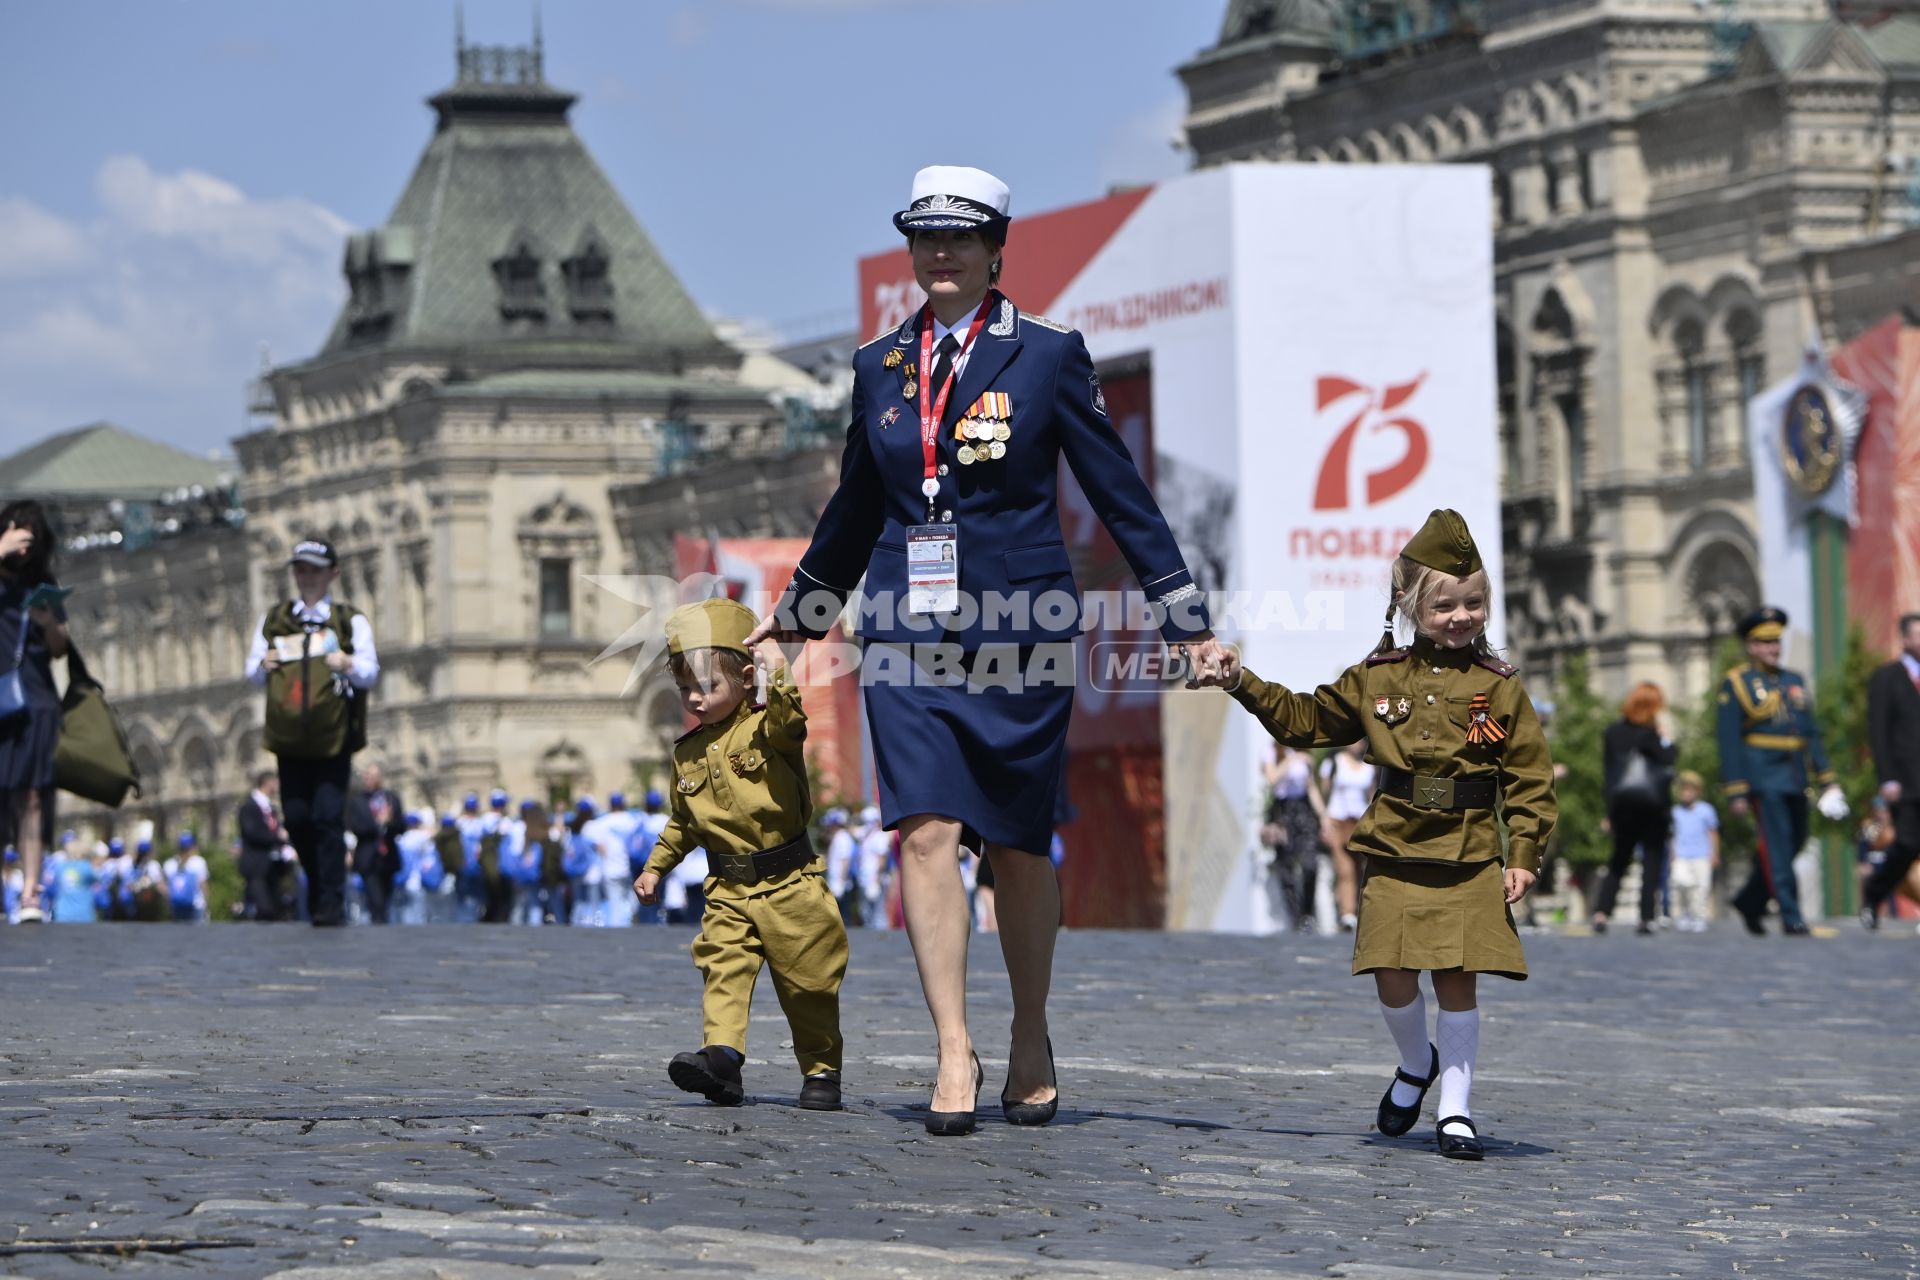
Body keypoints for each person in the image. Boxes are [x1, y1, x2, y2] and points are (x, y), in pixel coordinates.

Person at [756, 165, 1225, 1134]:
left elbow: (1119, 492)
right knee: (924, 830)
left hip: (1023, 632)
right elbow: (855, 507)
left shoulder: (1049, 355)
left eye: (959, 237)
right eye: (924, 237)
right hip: (905, 629)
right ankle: (951, 1046)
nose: (940, 253)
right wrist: (802, 611)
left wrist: (1186, 616)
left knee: (1016, 841)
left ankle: (1029, 1030)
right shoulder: (878, 367)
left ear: (995, 247)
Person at [1201, 509, 1556, 1159]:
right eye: (1446, 604)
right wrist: (1239, 681)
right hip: (1395, 846)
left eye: (1474, 603)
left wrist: (1524, 851)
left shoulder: (1500, 687)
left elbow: (1529, 776)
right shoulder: (1378, 675)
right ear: (1409, 602)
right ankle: (1416, 1061)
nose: (1462, 616)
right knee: (1389, 972)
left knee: (1457, 978)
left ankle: (1455, 1110)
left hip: (1470, 848)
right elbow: (1306, 720)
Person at [635, 599, 849, 1111]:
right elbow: (684, 822)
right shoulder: (685, 752)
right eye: (685, 688)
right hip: (727, 890)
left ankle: (821, 1069)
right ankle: (722, 1060)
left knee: (808, 987)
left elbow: (790, 718)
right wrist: (655, 867)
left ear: (745, 678)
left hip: (791, 886)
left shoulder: (768, 731)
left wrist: (777, 669)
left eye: (708, 686)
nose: (695, 698)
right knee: (722, 968)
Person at [244, 539, 380, 927]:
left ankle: (331, 901)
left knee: (327, 817)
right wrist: (263, 664)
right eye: (301, 570)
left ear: (332, 574)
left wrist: (347, 662)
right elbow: (251, 674)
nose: (307, 577)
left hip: (333, 736)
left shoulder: (348, 619)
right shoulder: (276, 620)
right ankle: (321, 882)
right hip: (289, 738)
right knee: (299, 819)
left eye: (315, 570)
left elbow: (371, 673)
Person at [1716, 607, 1849, 936]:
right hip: (1763, 776)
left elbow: (1809, 734)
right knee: (1777, 846)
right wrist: (1737, 789)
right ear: (1751, 646)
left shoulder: (1794, 680)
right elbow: (1729, 740)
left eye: (1776, 641)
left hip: (1794, 776)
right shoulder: (1738, 683)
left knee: (1795, 842)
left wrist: (1827, 780)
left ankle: (1749, 900)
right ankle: (1791, 914)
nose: (1773, 648)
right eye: (1765, 642)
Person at [0, 500, 71, 924]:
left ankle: (30, 892)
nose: (25, 544)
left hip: (36, 699)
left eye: (32, 536)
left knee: (31, 797)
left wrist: (48, 621)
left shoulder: (41, 583)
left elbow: (61, 648)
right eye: (18, 532)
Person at [1592, 683, 1678, 935]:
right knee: (1651, 861)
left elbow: (1610, 775)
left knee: (1619, 860)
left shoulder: (1613, 732)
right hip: (1653, 807)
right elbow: (1669, 758)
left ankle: (1601, 912)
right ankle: (1645, 917)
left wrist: (1608, 811)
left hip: (1623, 806)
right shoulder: (1650, 735)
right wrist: (1665, 739)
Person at [1862, 612, 1920, 929]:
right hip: (1907, 782)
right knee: (1909, 844)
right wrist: (1887, 777)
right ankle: (1873, 894)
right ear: (1906, 639)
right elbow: (1879, 731)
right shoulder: (1888, 677)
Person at [1261, 744, 1328, 932]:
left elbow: (1311, 787)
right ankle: (1295, 916)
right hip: (1283, 812)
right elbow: (1271, 778)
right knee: (1286, 866)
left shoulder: (1305, 753)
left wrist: (1323, 816)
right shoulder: (1273, 752)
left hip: (1303, 811)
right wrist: (1291, 759)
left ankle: (1307, 913)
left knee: (1310, 863)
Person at [1318, 740, 1377, 931]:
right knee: (1344, 870)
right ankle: (1347, 914)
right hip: (1337, 821)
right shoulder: (1334, 763)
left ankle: (1358, 911)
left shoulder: (1368, 766)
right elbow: (1323, 793)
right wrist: (1324, 820)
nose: (1357, 745)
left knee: (1360, 869)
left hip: (1358, 823)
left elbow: (1371, 796)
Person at [347, 763, 406, 925]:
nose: (368, 779)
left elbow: (401, 826)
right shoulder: (357, 801)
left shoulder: (391, 798)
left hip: (388, 856)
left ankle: (381, 922)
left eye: (372, 776)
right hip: (368, 857)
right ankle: (378, 923)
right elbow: (355, 827)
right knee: (376, 899)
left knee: (386, 898)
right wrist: (377, 823)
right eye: (366, 776)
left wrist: (388, 823)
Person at [1668, 770, 1719, 931]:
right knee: (1681, 884)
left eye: (1689, 789)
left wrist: (1714, 853)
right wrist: (1672, 853)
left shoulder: (1706, 810)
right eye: (1683, 789)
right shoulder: (1675, 812)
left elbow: (1712, 832)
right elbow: (1673, 835)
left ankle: (1699, 917)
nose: (1686, 793)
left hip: (1702, 855)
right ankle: (1684, 914)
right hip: (1682, 854)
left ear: (1697, 791)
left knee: (1701, 888)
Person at [237, 770, 288, 921]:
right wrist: (277, 837)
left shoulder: (270, 808)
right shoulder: (249, 807)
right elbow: (252, 833)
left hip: (273, 864)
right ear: (269, 783)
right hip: (256, 864)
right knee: (264, 907)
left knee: (274, 908)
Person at [163, 832, 209, 923]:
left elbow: (164, 886)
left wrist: (171, 898)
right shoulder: (199, 862)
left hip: (176, 906)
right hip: (197, 905)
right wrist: (206, 903)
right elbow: (203, 884)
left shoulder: (169, 864)